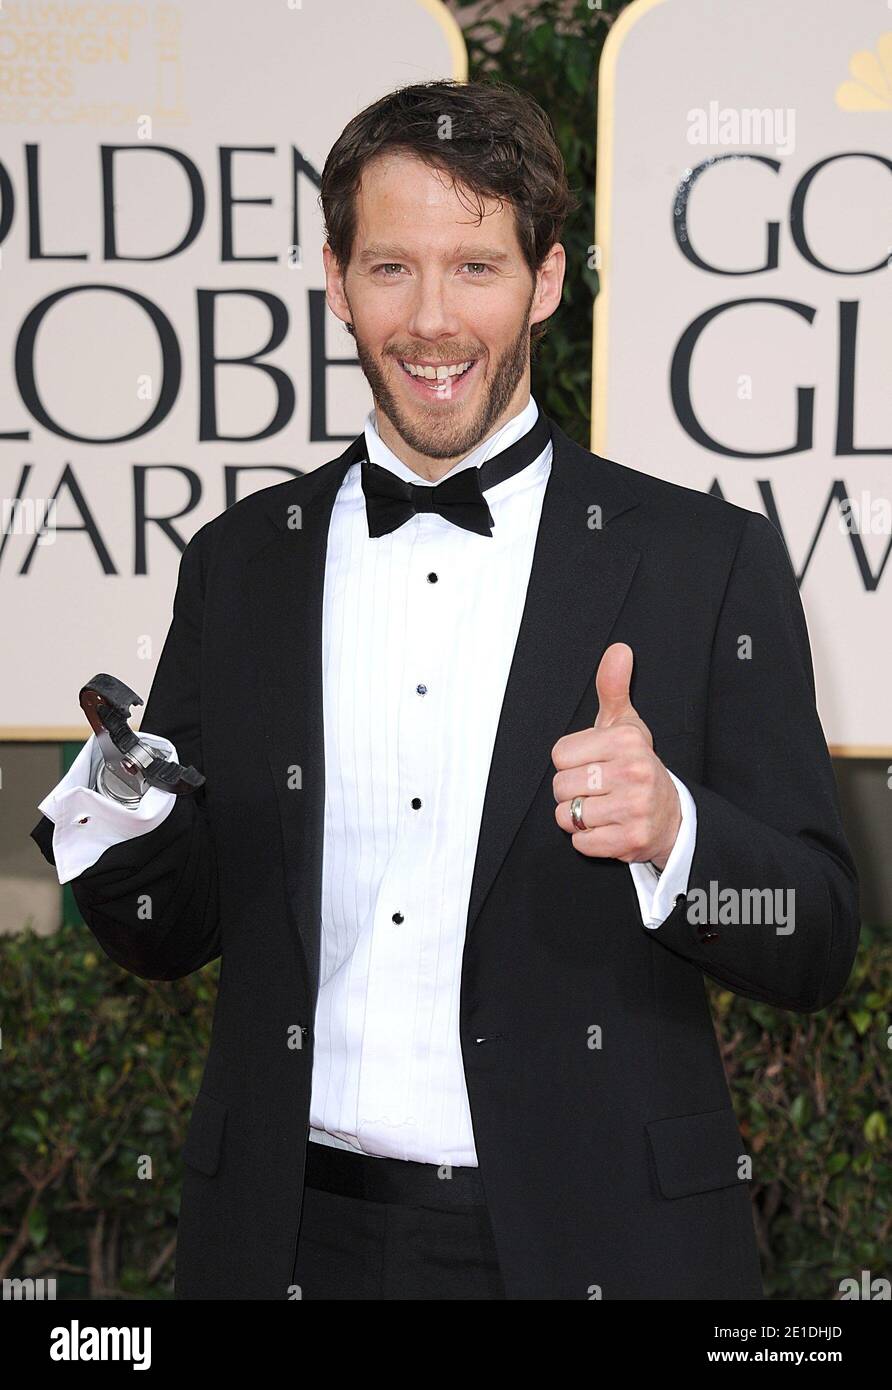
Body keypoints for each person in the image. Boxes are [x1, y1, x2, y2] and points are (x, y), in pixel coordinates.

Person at [31, 79, 860, 1301]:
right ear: (333, 278)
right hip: (285, 1239)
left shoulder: (700, 563)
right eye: (390, 269)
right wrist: (126, 806)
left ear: (547, 280)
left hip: (599, 1245)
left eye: (475, 267)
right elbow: (178, 930)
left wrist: (675, 834)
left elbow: (813, 937)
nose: (430, 321)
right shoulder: (242, 561)